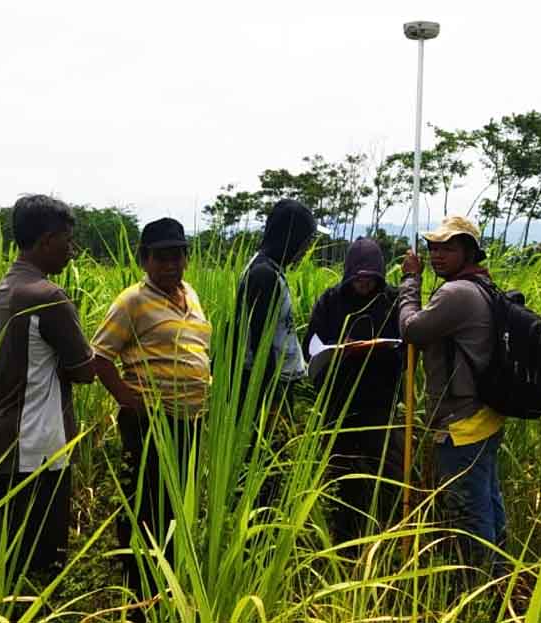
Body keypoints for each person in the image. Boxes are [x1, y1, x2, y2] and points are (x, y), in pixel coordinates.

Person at [91, 217, 212, 600]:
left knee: (175, 505)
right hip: (151, 422)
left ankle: (169, 579)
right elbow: (99, 356)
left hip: (189, 421)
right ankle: (139, 588)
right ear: (144, 259)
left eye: (177, 255)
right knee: (146, 506)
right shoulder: (132, 302)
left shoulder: (190, 294)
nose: (170, 264)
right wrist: (128, 398)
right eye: (161, 257)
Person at [0, 194, 95, 577]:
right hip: (38, 445)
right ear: (47, 240)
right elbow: (84, 369)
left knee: (14, 559)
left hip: (3, 438)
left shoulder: (5, 289)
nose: (72, 251)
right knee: (45, 563)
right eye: (67, 241)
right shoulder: (47, 296)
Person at [398, 215, 506, 582]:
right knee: (487, 502)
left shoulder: (457, 293)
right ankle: (500, 578)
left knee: (469, 513)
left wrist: (410, 281)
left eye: (449, 248)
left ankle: (480, 593)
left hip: (462, 424)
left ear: (470, 252)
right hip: (485, 416)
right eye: (433, 248)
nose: (437, 256)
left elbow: (412, 330)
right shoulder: (483, 286)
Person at [302, 237, 405, 544]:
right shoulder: (331, 301)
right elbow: (312, 345)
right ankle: (344, 536)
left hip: (380, 402)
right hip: (339, 402)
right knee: (342, 474)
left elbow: (408, 344)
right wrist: (335, 354)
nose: (363, 284)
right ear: (348, 274)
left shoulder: (393, 300)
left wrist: (382, 351)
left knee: (389, 472)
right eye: (358, 278)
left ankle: (387, 536)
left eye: (370, 278)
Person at [234, 198, 323, 414]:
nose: (306, 249)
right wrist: (271, 399)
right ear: (291, 238)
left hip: (274, 384)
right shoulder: (264, 275)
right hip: (267, 388)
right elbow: (261, 345)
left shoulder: (269, 269)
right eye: (305, 241)